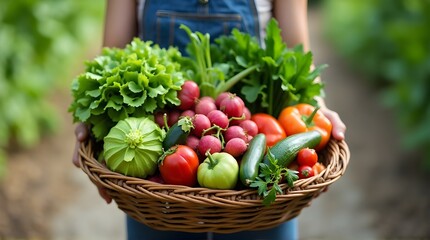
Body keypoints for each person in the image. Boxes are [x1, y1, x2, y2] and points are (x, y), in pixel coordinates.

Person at [72, 0, 347, 239]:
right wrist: (97, 121)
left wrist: (318, 107)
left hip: (256, 203)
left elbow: (299, 56)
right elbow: (113, 56)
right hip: (158, 194)